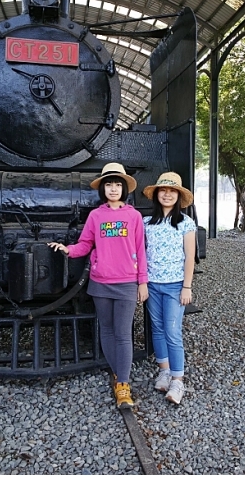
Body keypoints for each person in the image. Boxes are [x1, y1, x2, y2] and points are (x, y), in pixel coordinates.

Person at [48, 162, 148, 409]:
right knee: (107, 330)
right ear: (103, 189)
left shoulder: (134, 216)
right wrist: (67, 250)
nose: (113, 189)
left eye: (117, 184)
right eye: (109, 184)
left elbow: (140, 250)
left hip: (126, 282)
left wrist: (142, 281)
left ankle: (123, 384)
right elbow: (85, 245)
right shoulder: (96, 216)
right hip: (101, 281)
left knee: (123, 334)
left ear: (124, 189)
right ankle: (117, 374)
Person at [142, 172, 197, 405]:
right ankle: (163, 369)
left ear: (178, 196)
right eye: (163, 190)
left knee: (173, 331)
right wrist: (142, 282)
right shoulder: (146, 223)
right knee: (157, 328)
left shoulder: (186, 223)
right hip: (152, 284)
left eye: (172, 191)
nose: (167, 194)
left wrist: (187, 287)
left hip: (175, 285)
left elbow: (190, 257)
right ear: (156, 194)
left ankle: (177, 379)